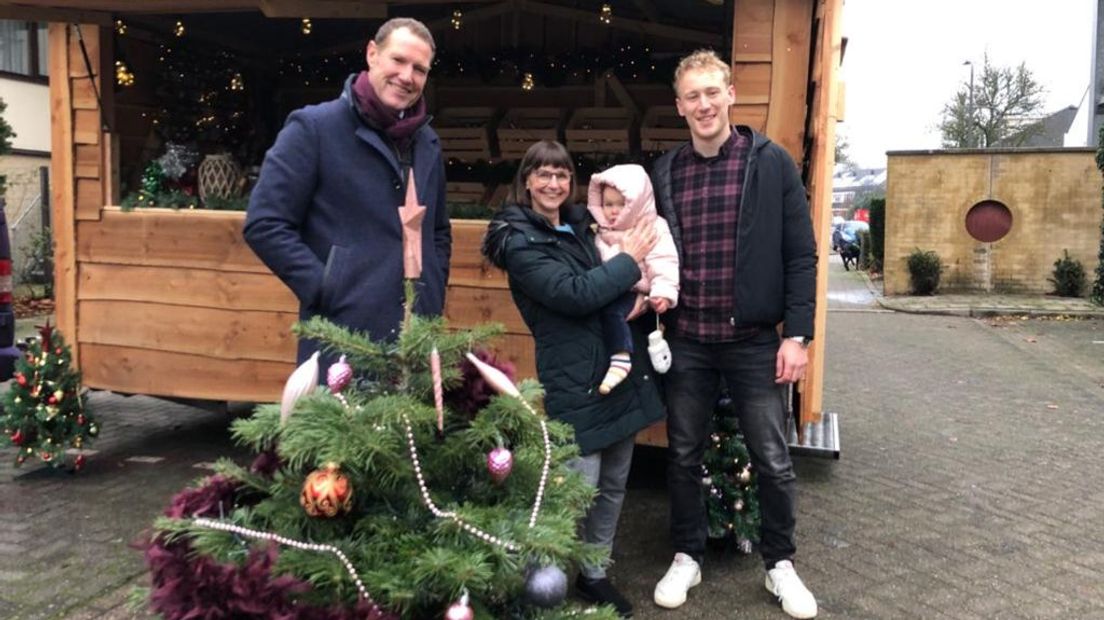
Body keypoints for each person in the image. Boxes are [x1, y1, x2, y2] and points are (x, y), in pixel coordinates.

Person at [649, 50, 819, 619]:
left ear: (730, 95)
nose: (703, 104)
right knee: (681, 456)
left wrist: (797, 336)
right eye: (691, 96)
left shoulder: (771, 163)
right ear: (680, 106)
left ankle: (780, 566)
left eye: (711, 92)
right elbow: (647, 245)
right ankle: (686, 555)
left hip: (753, 340)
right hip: (688, 339)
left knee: (772, 458)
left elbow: (801, 254)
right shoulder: (665, 171)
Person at [482, 141, 665, 618]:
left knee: (615, 482)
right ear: (526, 180)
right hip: (575, 376)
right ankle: (541, 580)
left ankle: (594, 572)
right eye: (542, 174)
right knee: (573, 489)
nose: (552, 184)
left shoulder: (584, 227)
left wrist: (642, 285)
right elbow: (574, 294)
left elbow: (612, 287)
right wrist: (630, 259)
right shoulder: (519, 242)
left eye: (561, 175)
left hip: (616, 366)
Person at [244, 17, 451, 365]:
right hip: (341, 339)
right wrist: (326, 287)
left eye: (420, 69)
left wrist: (432, 286)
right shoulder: (314, 128)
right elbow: (265, 224)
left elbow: (439, 230)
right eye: (398, 60)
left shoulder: (427, 143)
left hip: (415, 339)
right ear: (372, 54)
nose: (407, 76)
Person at [585, 164, 679, 395]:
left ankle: (621, 357)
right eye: (608, 204)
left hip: (636, 289)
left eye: (621, 204)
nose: (613, 211)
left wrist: (662, 294)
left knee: (613, 313)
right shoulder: (603, 231)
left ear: (636, 203)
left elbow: (664, 260)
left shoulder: (652, 227)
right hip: (614, 285)